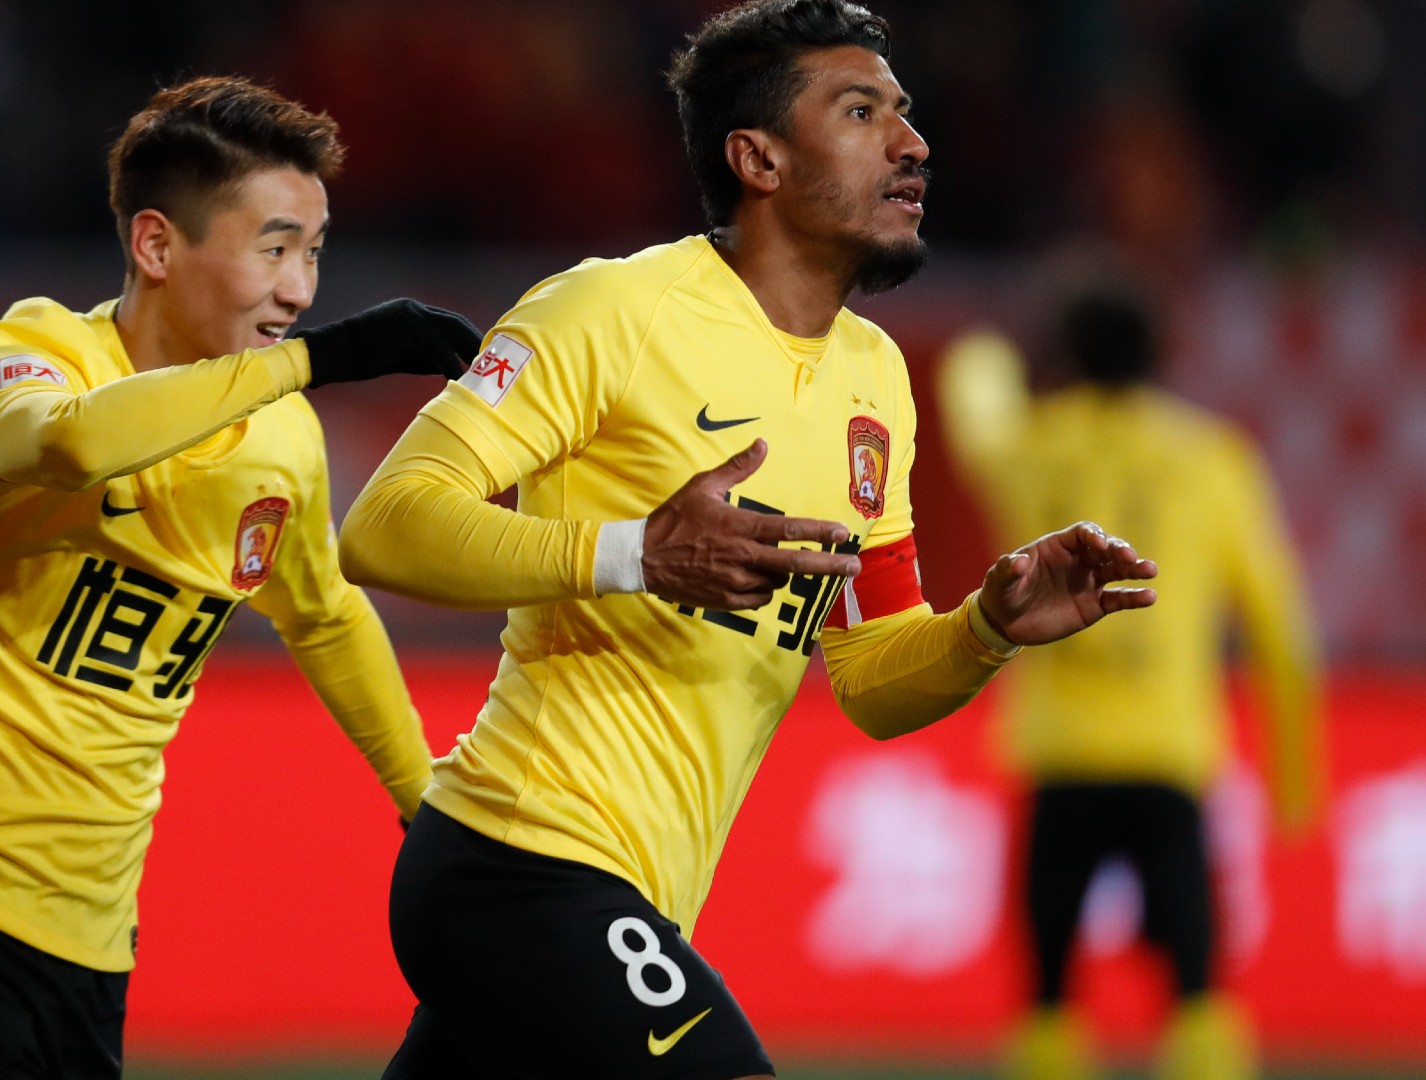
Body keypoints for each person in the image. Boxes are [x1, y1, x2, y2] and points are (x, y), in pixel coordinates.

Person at [336, 4, 1160, 1078]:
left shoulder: (875, 381)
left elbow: (870, 673)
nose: (912, 143)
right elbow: (385, 526)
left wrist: (986, 630)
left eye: (903, 114)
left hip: (628, 894)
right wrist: (635, 551)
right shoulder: (612, 311)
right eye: (861, 112)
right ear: (758, 157)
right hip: (519, 856)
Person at [0, 76, 482, 1080]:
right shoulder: (33, 353)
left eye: (314, 252)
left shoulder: (279, 439)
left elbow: (324, 612)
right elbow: (70, 449)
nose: (299, 289)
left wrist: (416, 800)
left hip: (93, 934)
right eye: (274, 246)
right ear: (157, 246)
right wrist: (321, 361)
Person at [936, 285, 1324, 1080]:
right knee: (1199, 993)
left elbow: (970, 389)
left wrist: (1004, 341)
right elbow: (1283, 632)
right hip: (1168, 753)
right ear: (1162, 358)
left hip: (1061, 751)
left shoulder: (1031, 447)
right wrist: (1294, 779)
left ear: (1066, 357)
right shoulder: (1213, 458)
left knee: (1047, 998)